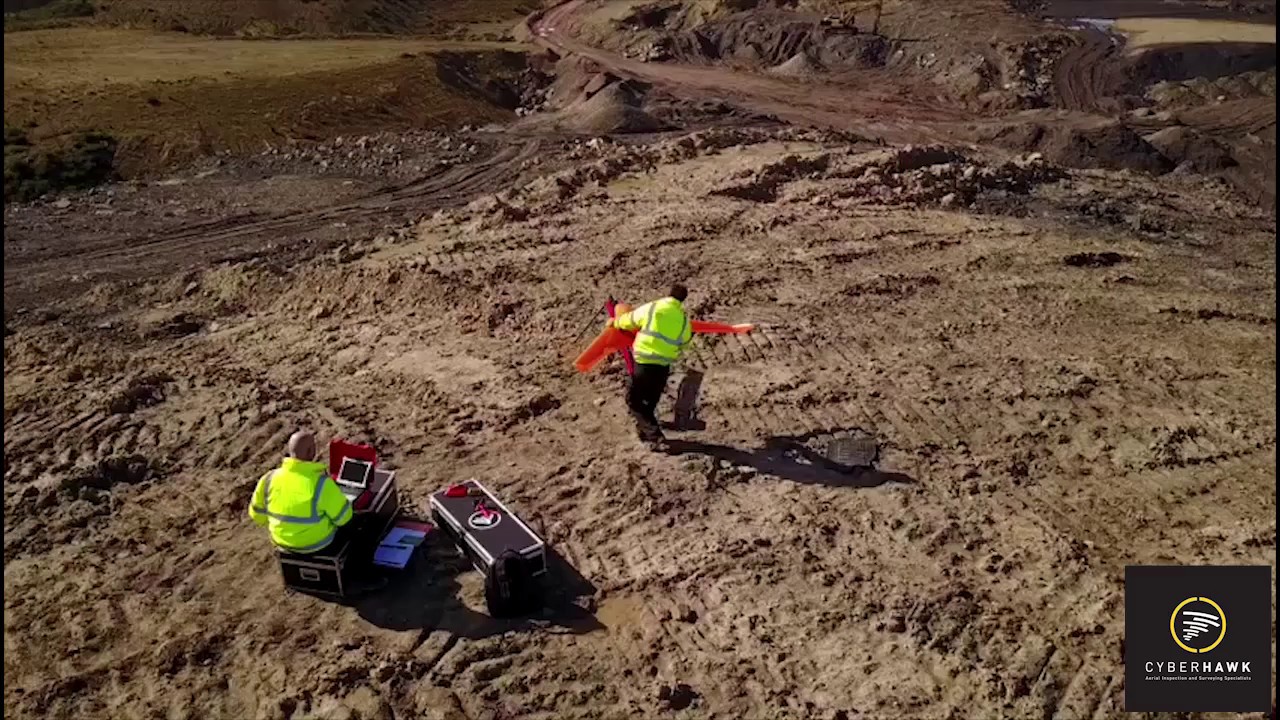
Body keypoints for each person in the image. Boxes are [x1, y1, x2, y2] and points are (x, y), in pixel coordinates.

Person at [249, 430, 354, 554]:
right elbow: (344, 518)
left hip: (281, 543)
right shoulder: (321, 484)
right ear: (311, 452)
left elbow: (257, 516)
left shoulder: (268, 479)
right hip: (318, 544)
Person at [613, 283, 694, 442]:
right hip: (663, 365)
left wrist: (615, 323)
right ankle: (645, 431)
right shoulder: (683, 319)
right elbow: (685, 341)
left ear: (669, 293)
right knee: (650, 401)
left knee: (633, 400)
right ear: (683, 300)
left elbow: (630, 320)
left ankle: (655, 436)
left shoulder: (654, 307)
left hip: (645, 360)